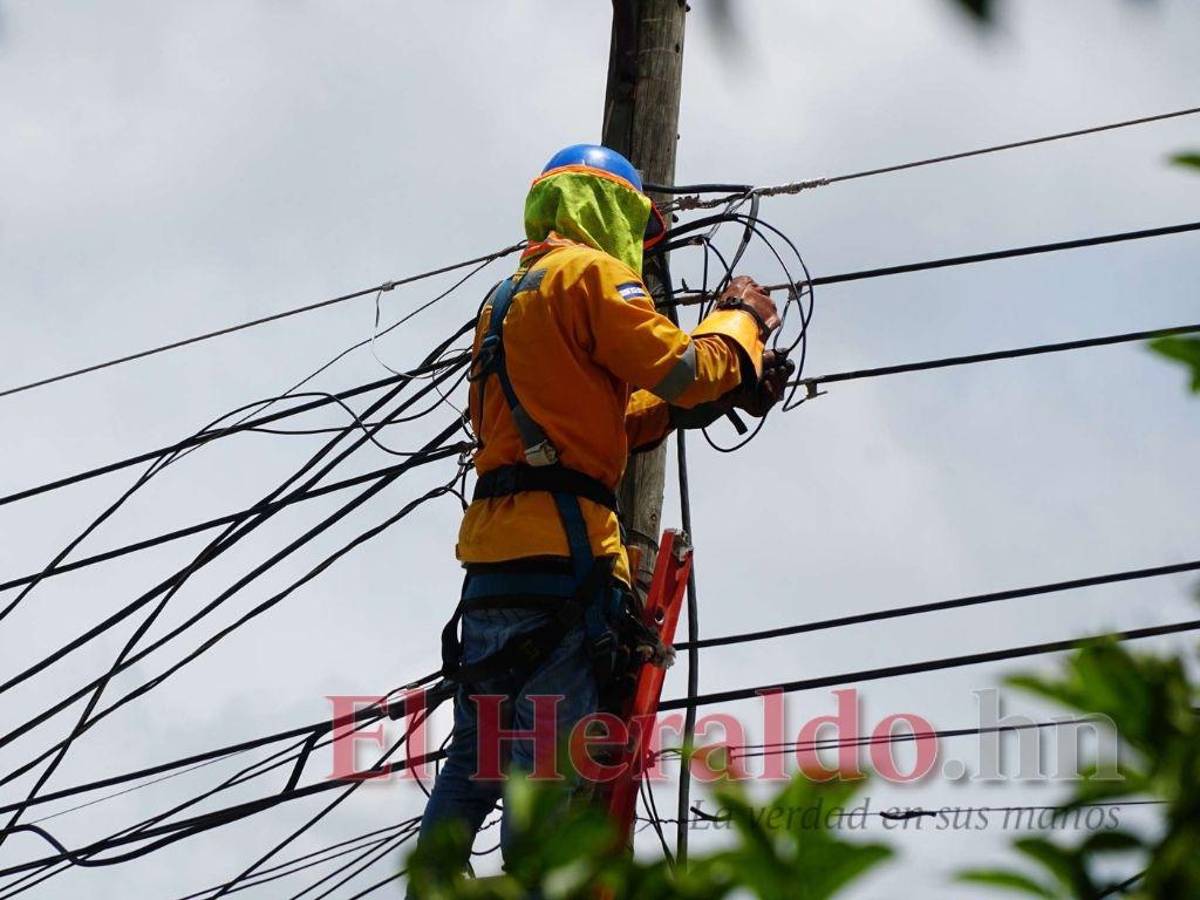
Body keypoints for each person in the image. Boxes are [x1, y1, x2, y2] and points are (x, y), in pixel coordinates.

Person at [409, 144, 790, 884]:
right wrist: (739, 325)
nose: (644, 255)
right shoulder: (593, 274)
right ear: (613, 211)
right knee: (546, 782)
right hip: (566, 571)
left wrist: (711, 396)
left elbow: (599, 427)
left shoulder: (508, 295)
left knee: (477, 761)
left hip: (493, 576)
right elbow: (680, 369)